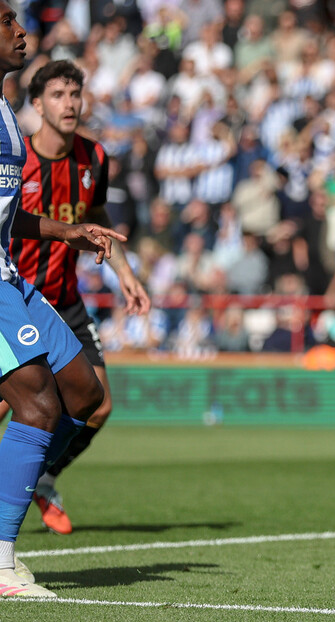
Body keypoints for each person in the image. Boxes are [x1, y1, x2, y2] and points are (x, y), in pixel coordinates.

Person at [0, 1, 128, 597]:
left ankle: (31, 485)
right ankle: (2, 561)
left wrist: (67, 231)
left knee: (85, 391)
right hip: (3, 286)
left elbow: (8, 218)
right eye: (6, 21)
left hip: (21, 282)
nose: (20, 31)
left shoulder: (3, 112)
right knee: (33, 407)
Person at [2, 59, 151, 536]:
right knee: (15, 403)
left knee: (98, 402)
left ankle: (43, 476)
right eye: (59, 95)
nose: (70, 104)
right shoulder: (17, 153)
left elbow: (97, 212)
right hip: (16, 290)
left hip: (64, 299)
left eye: (75, 94)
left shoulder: (93, 158)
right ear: (39, 104)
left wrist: (125, 275)